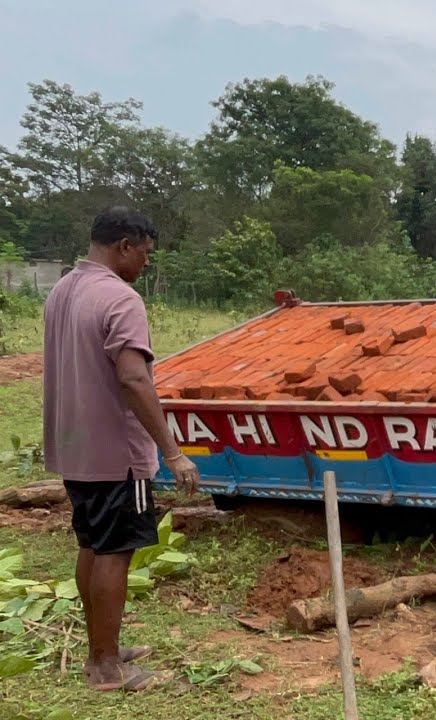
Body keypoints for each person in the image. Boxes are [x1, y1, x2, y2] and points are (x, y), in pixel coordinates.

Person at [42, 206, 200, 692]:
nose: (146, 264)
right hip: (116, 453)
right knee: (116, 552)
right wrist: (172, 452)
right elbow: (133, 378)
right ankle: (107, 667)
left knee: (92, 545)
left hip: (74, 448)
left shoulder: (62, 291)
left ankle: (101, 648)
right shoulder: (120, 298)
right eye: (146, 254)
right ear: (124, 246)